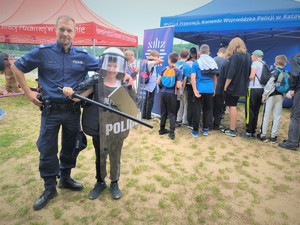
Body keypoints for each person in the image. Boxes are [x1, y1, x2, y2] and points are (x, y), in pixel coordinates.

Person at [11, 15, 100, 210]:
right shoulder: (43, 52)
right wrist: (28, 93)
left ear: (74, 33)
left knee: (71, 145)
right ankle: (49, 187)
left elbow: (103, 71)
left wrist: (85, 93)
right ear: (56, 30)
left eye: (69, 30)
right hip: (50, 111)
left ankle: (65, 178)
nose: (65, 33)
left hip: (72, 112)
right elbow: (16, 67)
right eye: (62, 29)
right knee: (47, 148)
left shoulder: (83, 56)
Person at [63, 47, 137, 200]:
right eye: (109, 65)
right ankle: (100, 182)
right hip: (98, 128)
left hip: (116, 128)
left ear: (120, 66)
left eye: (115, 66)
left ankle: (114, 183)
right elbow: (78, 98)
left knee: (115, 156)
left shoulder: (122, 84)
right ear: (103, 64)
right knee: (100, 156)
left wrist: (128, 91)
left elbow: (131, 109)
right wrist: (70, 92)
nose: (111, 69)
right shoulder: (96, 82)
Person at [222, 37, 251, 137]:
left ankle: (232, 130)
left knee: (232, 106)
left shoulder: (235, 56)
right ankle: (232, 128)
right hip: (242, 85)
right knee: (233, 105)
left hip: (233, 86)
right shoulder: (248, 56)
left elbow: (231, 73)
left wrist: (225, 86)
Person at [258, 55, 288, 143]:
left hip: (271, 95)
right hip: (280, 96)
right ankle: (273, 136)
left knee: (266, 115)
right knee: (277, 116)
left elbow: (269, 84)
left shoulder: (274, 72)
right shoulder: (286, 73)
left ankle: (263, 134)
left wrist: (264, 96)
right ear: (285, 64)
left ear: (275, 63)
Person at [191, 44, 218, 137]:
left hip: (199, 89)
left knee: (197, 110)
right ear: (209, 52)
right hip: (209, 89)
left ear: (199, 52)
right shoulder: (213, 62)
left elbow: (193, 77)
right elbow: (215, 77)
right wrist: (214, 89)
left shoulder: (196, 63)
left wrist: (194, 90)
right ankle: (205, 129)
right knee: (207, 110)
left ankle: (195, 131)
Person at [157, 52, 183, 139]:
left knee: (163, 112)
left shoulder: (164, 69)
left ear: (169, 60)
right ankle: (171, 132)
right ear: (177, 59)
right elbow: (179, 85)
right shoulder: (178, 71)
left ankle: (162, 129)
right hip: (172, 94)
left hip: (163, 93)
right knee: (172, 113)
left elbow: (158, 81)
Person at [241, 50, 265, 139]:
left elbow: (251, 76)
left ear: (256, 56)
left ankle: (248, 131)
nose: (251, 57)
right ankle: (253, 129)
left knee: (249, 110)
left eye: (252, 56)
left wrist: (245, 77)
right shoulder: (264, 64)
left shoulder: (255, 64)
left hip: (253, 89)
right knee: (256, 110)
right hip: (261, 89)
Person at [278, 53, 300, 150]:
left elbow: (295, 74)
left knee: (295, 116)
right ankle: (296, 140)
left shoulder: (296, 58)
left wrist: (292, 88)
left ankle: (292, 142)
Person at [141, 50, 164, 120]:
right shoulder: (150, 62)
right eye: (157, 56)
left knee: (147, 99)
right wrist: (154, 58)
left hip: (150, 82)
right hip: (151, 83)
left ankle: (144, 114)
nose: (158, 57)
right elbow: (161, 61)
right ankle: (148, 115)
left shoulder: (147, 62)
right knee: (150, 99)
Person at [212, 47, 227, 130]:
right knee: (219, 107)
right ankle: (216, 124)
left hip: (212, 87)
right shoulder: (227, 61)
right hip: (221, 88)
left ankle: (208, 123)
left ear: (219, 52)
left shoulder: (212, 60)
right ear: (225, 53)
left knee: (210, 106)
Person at [176, 48, 191, 126]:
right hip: (182, 87)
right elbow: (185, 79)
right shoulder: (187, 67)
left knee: (179, 102)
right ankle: (184, 119)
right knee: (185, 103)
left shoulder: (175, 64)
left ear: (180, 55)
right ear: (188, 56)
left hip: (175, 87)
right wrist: (183, 89)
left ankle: (178, 118)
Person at [186, 47, 198, 128]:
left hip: (188, 85)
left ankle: (189, 121)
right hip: (196, 85)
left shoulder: (187, 63)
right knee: (195, 104)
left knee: (189, 104)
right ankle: (193, 121)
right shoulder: (198, 62)